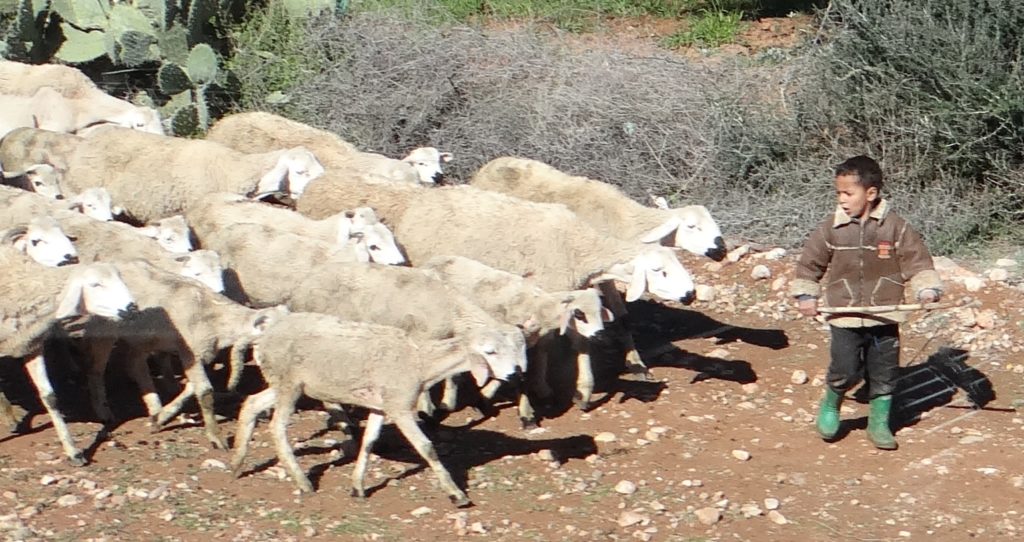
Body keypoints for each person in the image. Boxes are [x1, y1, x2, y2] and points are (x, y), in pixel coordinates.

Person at [789, 155, 943, 450]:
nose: (842, 200)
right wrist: (807, 295)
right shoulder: (830, 229)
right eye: (839, 193)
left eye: (848, 193)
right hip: (844, 314)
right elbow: (810, 265)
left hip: (884, 314)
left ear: (870, 194)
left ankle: (879, 421)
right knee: (845, 368)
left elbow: (918, 262)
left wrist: (926, 290)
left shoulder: (895, 227)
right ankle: (832, 405)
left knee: (884, 371)